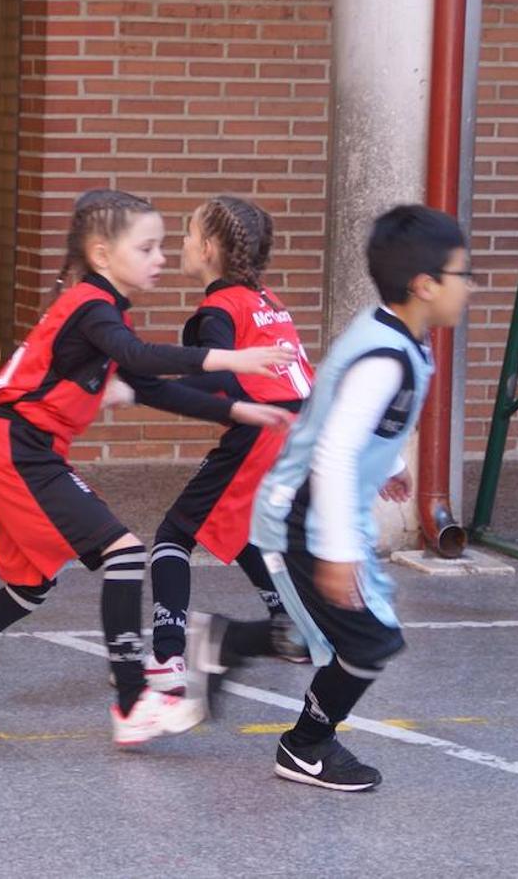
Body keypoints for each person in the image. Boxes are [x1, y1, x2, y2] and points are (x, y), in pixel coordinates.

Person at [0, 189, 295, 746]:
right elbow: (142, 357)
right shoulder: (91, 307)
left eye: (163, 246)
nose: (160, 258)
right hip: (20, 448)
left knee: (27, 588)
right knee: (124, 553)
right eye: (146, 248)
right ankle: (133, 701)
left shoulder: (102, 311)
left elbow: (150, 387)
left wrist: (240, 410)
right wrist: (229, 358)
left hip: (20, 448)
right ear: (103, 254)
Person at [188, 204, 471, 790]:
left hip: (315, 511)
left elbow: (350, 417)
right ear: (424, 285)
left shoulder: (398, 338)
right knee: (370, 642)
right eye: (462, 275)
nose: (470, 287)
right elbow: (336, 450)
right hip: (304, 518)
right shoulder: (385, 355)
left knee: (323, 633)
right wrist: (338, 551)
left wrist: (391, 465)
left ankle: (226, 642)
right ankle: (305, 746)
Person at [137, 196, 315, 695]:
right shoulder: (269, 303)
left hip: (264, 435)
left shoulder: (219, 308)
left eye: (189, 235)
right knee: (246, 532)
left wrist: (145, 386)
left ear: (209, 249)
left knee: (174, 534)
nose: (182, 244)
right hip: (300, 435)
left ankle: (167, 656)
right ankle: (293, 629)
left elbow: (220, 380)